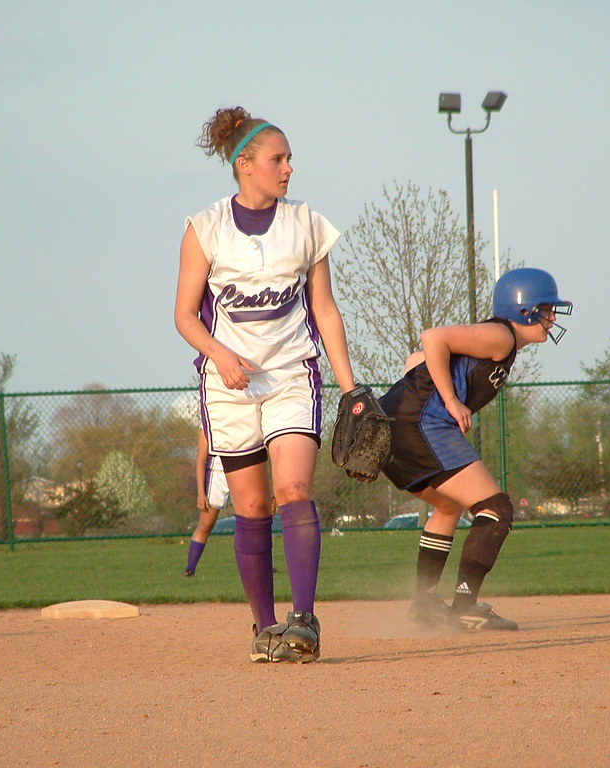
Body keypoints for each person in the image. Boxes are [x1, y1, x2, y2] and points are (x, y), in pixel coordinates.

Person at [173, 106, 357, 663]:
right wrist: (220, 353)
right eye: (278, 159)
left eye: (289, 159)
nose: (288, 169)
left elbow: (324, 310)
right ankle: (264, 628)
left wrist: (350, 389)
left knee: (293, 490)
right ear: (245, 164)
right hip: (227, 383)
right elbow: (184, 316)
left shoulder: (306, 224)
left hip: (291, 374)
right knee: (250, 506)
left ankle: (304, 620)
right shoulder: (205, 230)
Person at [378, 267, 572, 631]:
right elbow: (433, 337)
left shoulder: (501, 341)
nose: (551, 318)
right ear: (524, 309)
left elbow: (414, 362)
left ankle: (425, 603)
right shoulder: (501, 336)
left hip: (399, 428)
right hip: (423, 426)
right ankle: (465, 607)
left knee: (448, 507)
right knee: (496, 509)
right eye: (546, 309)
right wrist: (450, 401)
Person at [183, 428, 229, 578]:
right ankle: (190, 569)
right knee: (205, 525)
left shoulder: (240, 415)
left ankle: (264, 566)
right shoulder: (207, 425)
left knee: (254, 521)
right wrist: (201, 493)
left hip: (241, 470)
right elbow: (201, 460)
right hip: (217, 475)